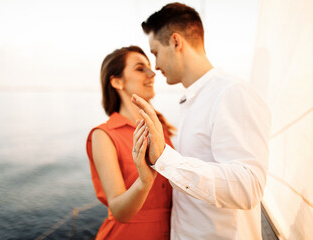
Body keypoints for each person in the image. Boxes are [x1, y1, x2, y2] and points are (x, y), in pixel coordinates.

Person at [131, 3, 271, 240]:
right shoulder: (191, 101)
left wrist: (165, 159)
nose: (155, 66)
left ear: (176, 42)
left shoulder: (231, 93)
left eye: (155, 53)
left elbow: (249, 187)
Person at [86, 45, 175, 240]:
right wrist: (145, 181)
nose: (152, 74)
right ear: (117, 82)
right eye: (140, 68)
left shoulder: (162, 128)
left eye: (150, 67)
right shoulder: (104, 135)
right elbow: (118, 210)